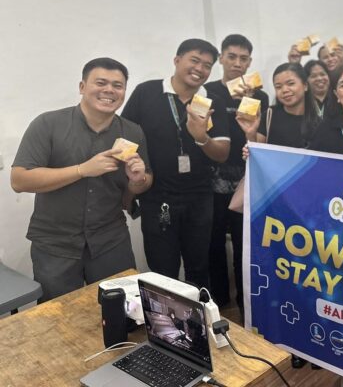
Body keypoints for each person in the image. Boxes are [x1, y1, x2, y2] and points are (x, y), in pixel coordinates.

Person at [11, 58, 152, 301]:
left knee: (120, 311)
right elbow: (20, 180)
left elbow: (142, 183)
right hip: (55, 244)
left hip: (110, 239)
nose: (109, 90)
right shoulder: (48, 123)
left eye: (118, 85)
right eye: (101, 82)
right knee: (57, 318)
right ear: (82, 87)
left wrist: (138, 180)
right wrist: (82, 170)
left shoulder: (132, 131)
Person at [122, 39, 230, 289]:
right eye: (194, 60)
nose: (200, 68)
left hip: (200, 197)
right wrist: (128, 187)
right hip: (156, 195)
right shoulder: (146, 92)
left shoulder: (212, 101)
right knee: (161, 270)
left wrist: (201, 137)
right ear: (177, 60)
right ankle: (164, 326)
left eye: (207, 65)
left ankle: (199, 323)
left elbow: (222, 153)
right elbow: (124, 139)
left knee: (199, 267)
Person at [203, 34, 268, 309]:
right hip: (212, 184)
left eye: (243, 58)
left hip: (248, 182)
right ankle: (218, 304)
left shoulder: (261, 95)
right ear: (221, 58)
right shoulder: (208, 91)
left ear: (250, 62)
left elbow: (264, 140)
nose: (237, 63)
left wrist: (249, 103)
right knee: (213, 246)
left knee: (245, 247)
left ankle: (246, 306)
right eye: (231, 56)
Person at [238, 63, 319, 148]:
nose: (284, 90)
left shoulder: (318, 124)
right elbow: (258, 154)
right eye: (278, 87)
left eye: (291, 83)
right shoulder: (269, 115)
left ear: (305, 86)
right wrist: (250, 133)